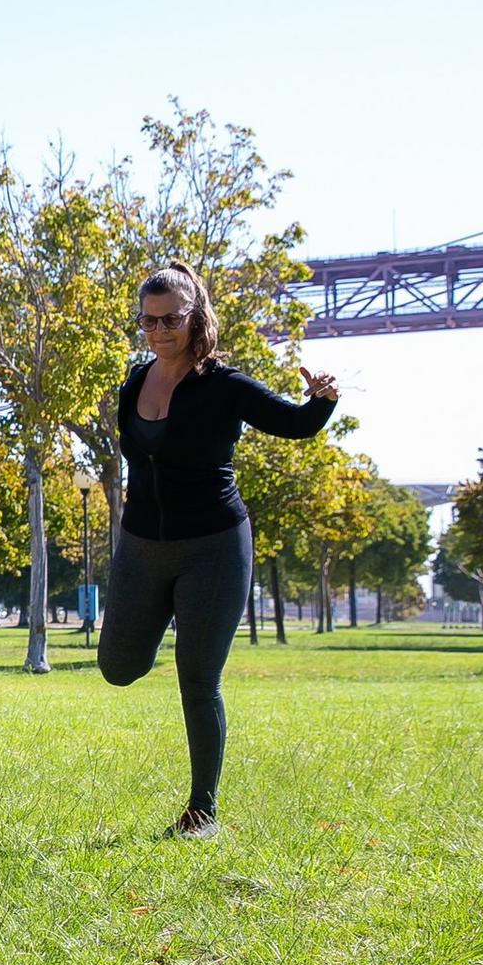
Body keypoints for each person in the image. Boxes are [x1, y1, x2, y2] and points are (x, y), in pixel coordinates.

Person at [97, 262, 339, 840]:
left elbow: (296, 424)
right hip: (141, 545)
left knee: (198, 677)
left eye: (170, 320)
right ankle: (166, 617)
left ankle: (201, 812)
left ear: (195, 317)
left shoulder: (225, 386)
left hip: (213, 546)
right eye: (148, 321)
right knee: (118, 667)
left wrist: (322, 399)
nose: (158, 331)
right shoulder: (134, 381)